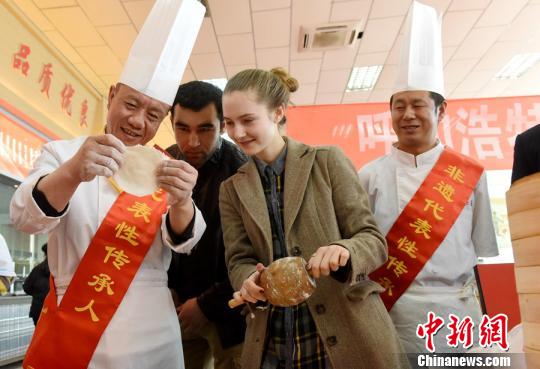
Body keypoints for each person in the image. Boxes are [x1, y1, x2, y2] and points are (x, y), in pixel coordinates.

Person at [9, 0, 206, 368]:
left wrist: (182, 201)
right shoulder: (64, 152)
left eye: (153, 115)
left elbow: (186, 241)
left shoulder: (166, 168)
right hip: (75, 322)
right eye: (131, 104)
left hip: (151, 331)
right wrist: (72, 172)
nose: (137, 121)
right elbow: (24, 217)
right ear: (112, 94)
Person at [220, 68, 410, 369]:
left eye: (247, 120)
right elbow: (238, 258)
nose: (237, 133)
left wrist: (345, 250)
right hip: (274, 337)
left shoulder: (326, 161)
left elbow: (371, 239)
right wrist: (248, 279)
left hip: (346, 328)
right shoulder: (231, 189)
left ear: (277, 112)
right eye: (229, 123)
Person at [358, 1, 498, 357]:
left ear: (441, 110)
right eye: (398, 105)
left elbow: (480, 249)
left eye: (417, 104)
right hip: (393, 313)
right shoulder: (369, 176)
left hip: (459, 314)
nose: (407, 114)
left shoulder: (470, 173)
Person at [166, 81, 247, 369]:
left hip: (231, 311)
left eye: (205, 129)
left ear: (223, 125)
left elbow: (255, 253)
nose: (192, 142)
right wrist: (167, 287)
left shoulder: (243, 171)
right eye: (182, 128)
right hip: (175, 308)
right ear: (170, 121)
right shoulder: (164, 162)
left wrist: (205, 304)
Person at [23, 243, 50, 325]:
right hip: (53, 311)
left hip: (38, 310)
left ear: (45, 254)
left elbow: (26, 287)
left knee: (39, 336)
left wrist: (38, 295)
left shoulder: (37, 269)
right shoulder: (60, 270)